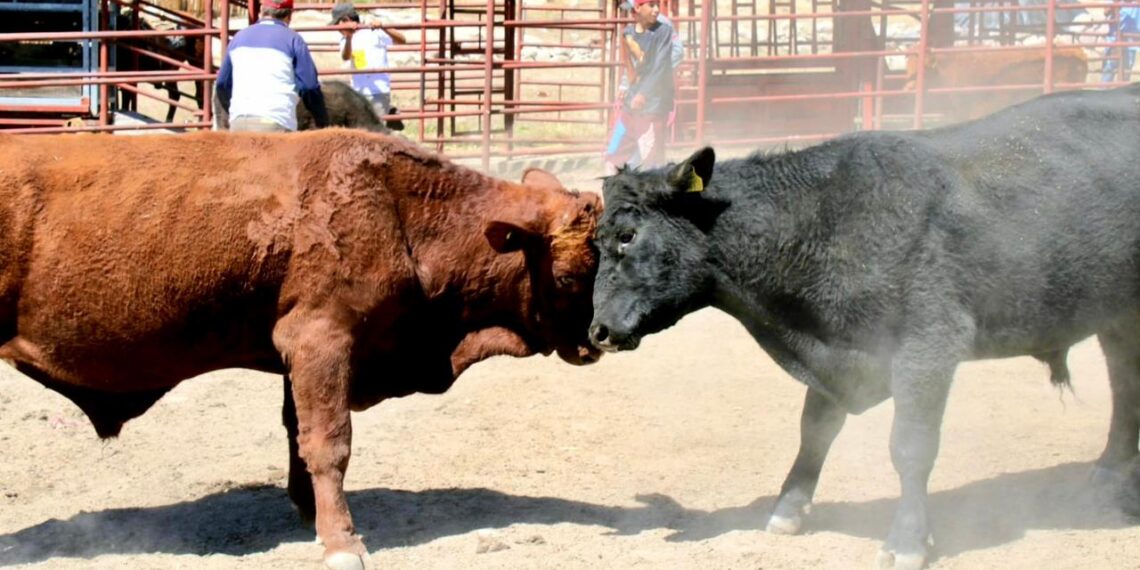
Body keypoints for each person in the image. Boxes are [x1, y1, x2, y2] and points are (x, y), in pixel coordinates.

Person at [215, 0, 329, 132]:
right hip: (276, 123)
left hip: (239, 124)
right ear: (289, 16)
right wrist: (323, 121)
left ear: (261, 11)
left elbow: (222, 84)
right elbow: (309, 86)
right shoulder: (293, 39)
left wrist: (235, 111)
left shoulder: (238, 38)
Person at [606, 0, 683, 170]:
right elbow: (634, 61)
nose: (631, 15)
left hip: (654, 100)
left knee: (651, 152)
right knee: (627, 145)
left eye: (633, 10)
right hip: (636, 99)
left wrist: (651, 78)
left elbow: (677, 53)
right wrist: (626, 85)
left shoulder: (662, 25)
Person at [329, 2, 407, 121]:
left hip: (379, 90)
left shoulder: (375, 31)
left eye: (337, 24)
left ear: (346, 19)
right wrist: (349, 37)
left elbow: (402, 40)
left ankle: (389, 112)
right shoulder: (345, 39)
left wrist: (384, 27)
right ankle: (391, 112)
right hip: (358, 91)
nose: (337, 29)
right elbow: (345, 56)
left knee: (377, 127)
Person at [1102, 4, 1140, 83]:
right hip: (1114, 40)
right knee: (1108, 70)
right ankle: (1104, 93)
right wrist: (1115, 5)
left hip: (1131, 41)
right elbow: (1105, 11)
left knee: (1126, 72)